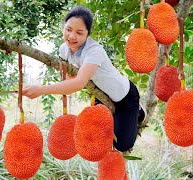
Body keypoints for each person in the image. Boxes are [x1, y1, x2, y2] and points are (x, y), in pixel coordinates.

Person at [22, 5, 146, 152]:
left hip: (125, 95)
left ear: (88, 34)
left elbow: (79, 83)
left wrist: (41, 90)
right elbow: (70, 79)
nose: (72, 36)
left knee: (122, 145)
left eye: (79, 33)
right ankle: (120, 118)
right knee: (100, 136)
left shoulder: (94, 51)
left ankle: (138, 111)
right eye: (68, 29)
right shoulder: (63, 49)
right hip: (100, 93)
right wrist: (72, 75)